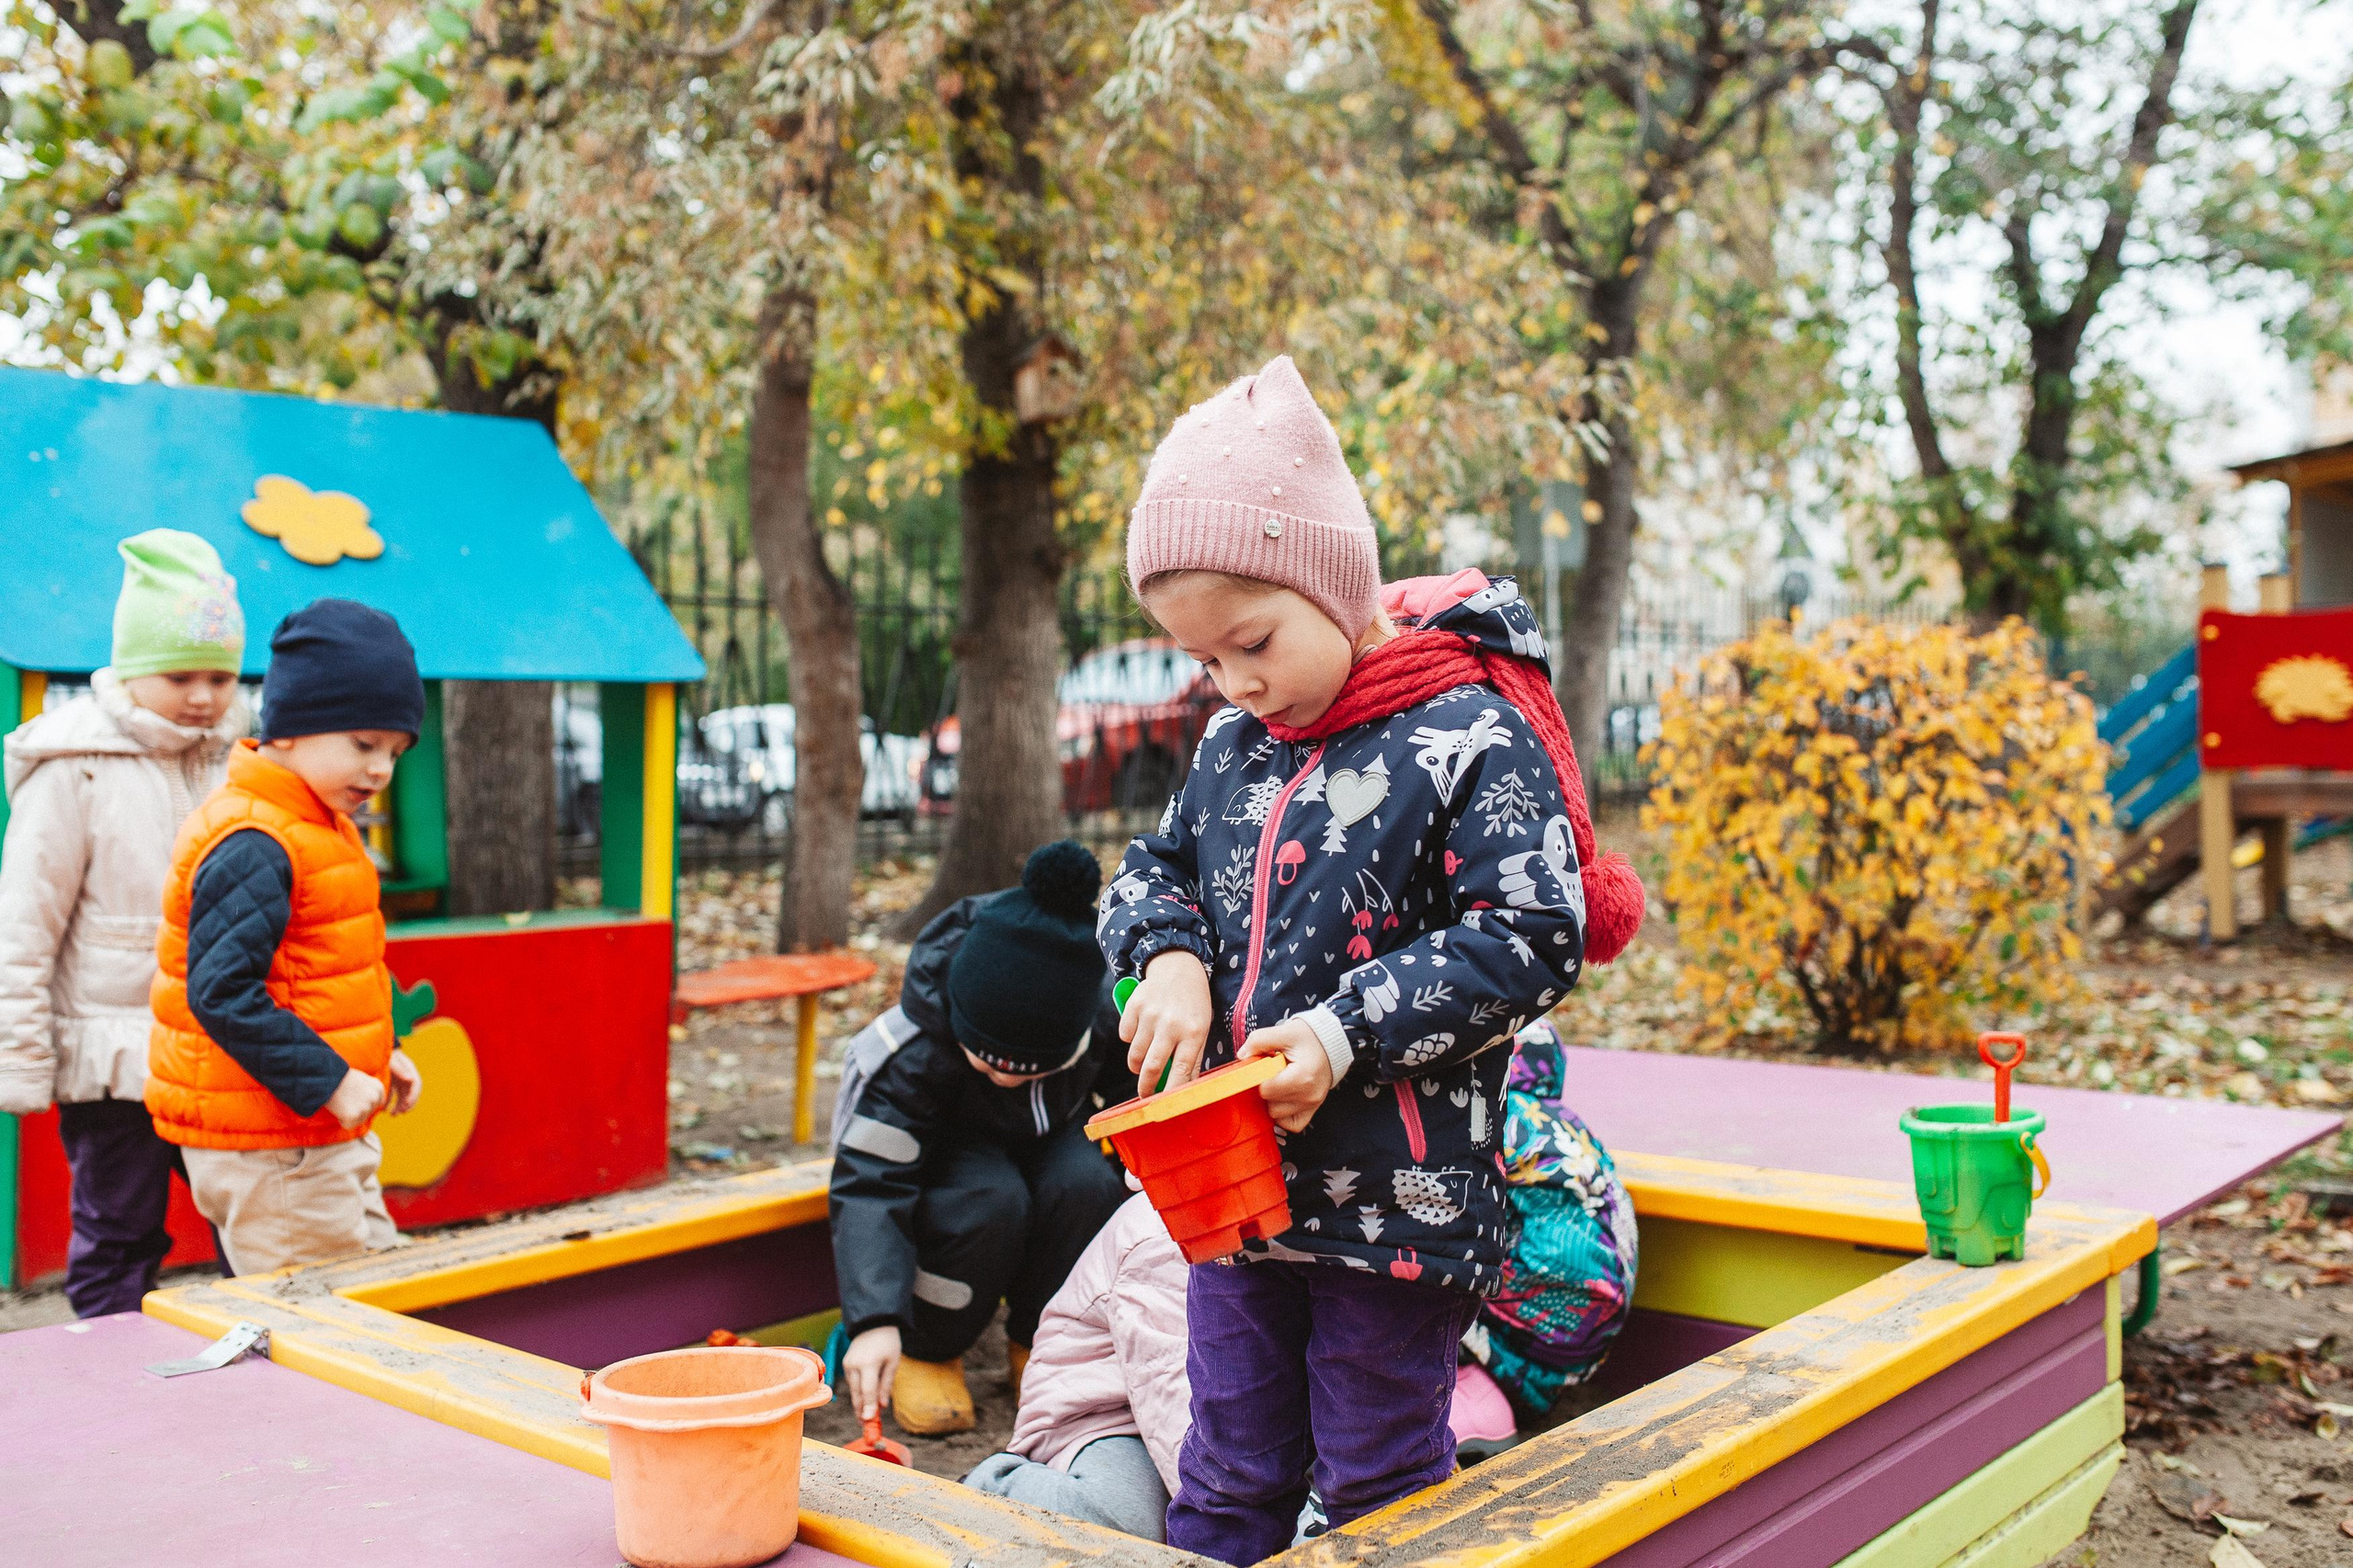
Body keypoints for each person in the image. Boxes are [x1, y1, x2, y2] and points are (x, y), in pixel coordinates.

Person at [1099, 354, 1645, 1563]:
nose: (1234, 683)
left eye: (1250, 642)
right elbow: (1151, 872)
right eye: (1204, 663)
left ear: (1335, 584)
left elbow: (1533, 932)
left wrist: (1346, 1032)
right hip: (1235, 1197)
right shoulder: (1239, 748)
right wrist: (1168, 962)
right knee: (1228, 1464)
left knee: (1382, 1477)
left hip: (1401, 1204)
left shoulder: (1466, 733)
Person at [965, 1022, 1637, 1541]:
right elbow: (1189, 1411)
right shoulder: (1169, 1241)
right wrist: (1265, 1520)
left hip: (1235, 1419)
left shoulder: (1302, 1218)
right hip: (1112, 1420)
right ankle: (998, 1491)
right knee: (1136, 1528)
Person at [0, 530, 248, 1315]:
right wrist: (18, 1056)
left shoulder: (238, 761)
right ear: (130, 670)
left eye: (221, 675)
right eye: (179, 676)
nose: (204, 697)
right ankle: (102, 1381)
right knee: (119, 1227)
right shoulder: (74, 765)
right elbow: (25, 921)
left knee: (249, 1223)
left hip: (220, 1048)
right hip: (117, 1057)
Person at [144, 598, 426, 1277]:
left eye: (395, 751)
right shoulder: (255, 839)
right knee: (320, 1318)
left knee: (377, 1290)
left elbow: (319, 971)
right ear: (293, 728)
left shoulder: (316, 822)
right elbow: (223, 993)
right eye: (363, 744)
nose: (381, 769)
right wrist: (329, 1080)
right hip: (275, 1142)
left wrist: (379, 1052)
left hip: (314, 1129)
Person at [831, 840, 1131, 1437]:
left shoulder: (1096, 1010)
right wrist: (874, 1319)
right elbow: (870, 1181)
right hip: (948, 1158)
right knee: (991, 1199)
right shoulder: (912, 1054)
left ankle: (1046, 1341)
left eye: (1028, 1070)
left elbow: (1139, 1098)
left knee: (1088, 1183)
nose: (1004, 1078)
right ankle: (929, 1346)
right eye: (987, 1062)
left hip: (1052, 1139)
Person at [965, 1191, 1189, 1541]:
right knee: (1125, 1525)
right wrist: (1225, 1517)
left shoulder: (1296, 1234)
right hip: (1104, 1414)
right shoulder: (1162, 1241)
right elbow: (1172, 1397)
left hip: (1212, 1419)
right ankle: (1000, 1485)